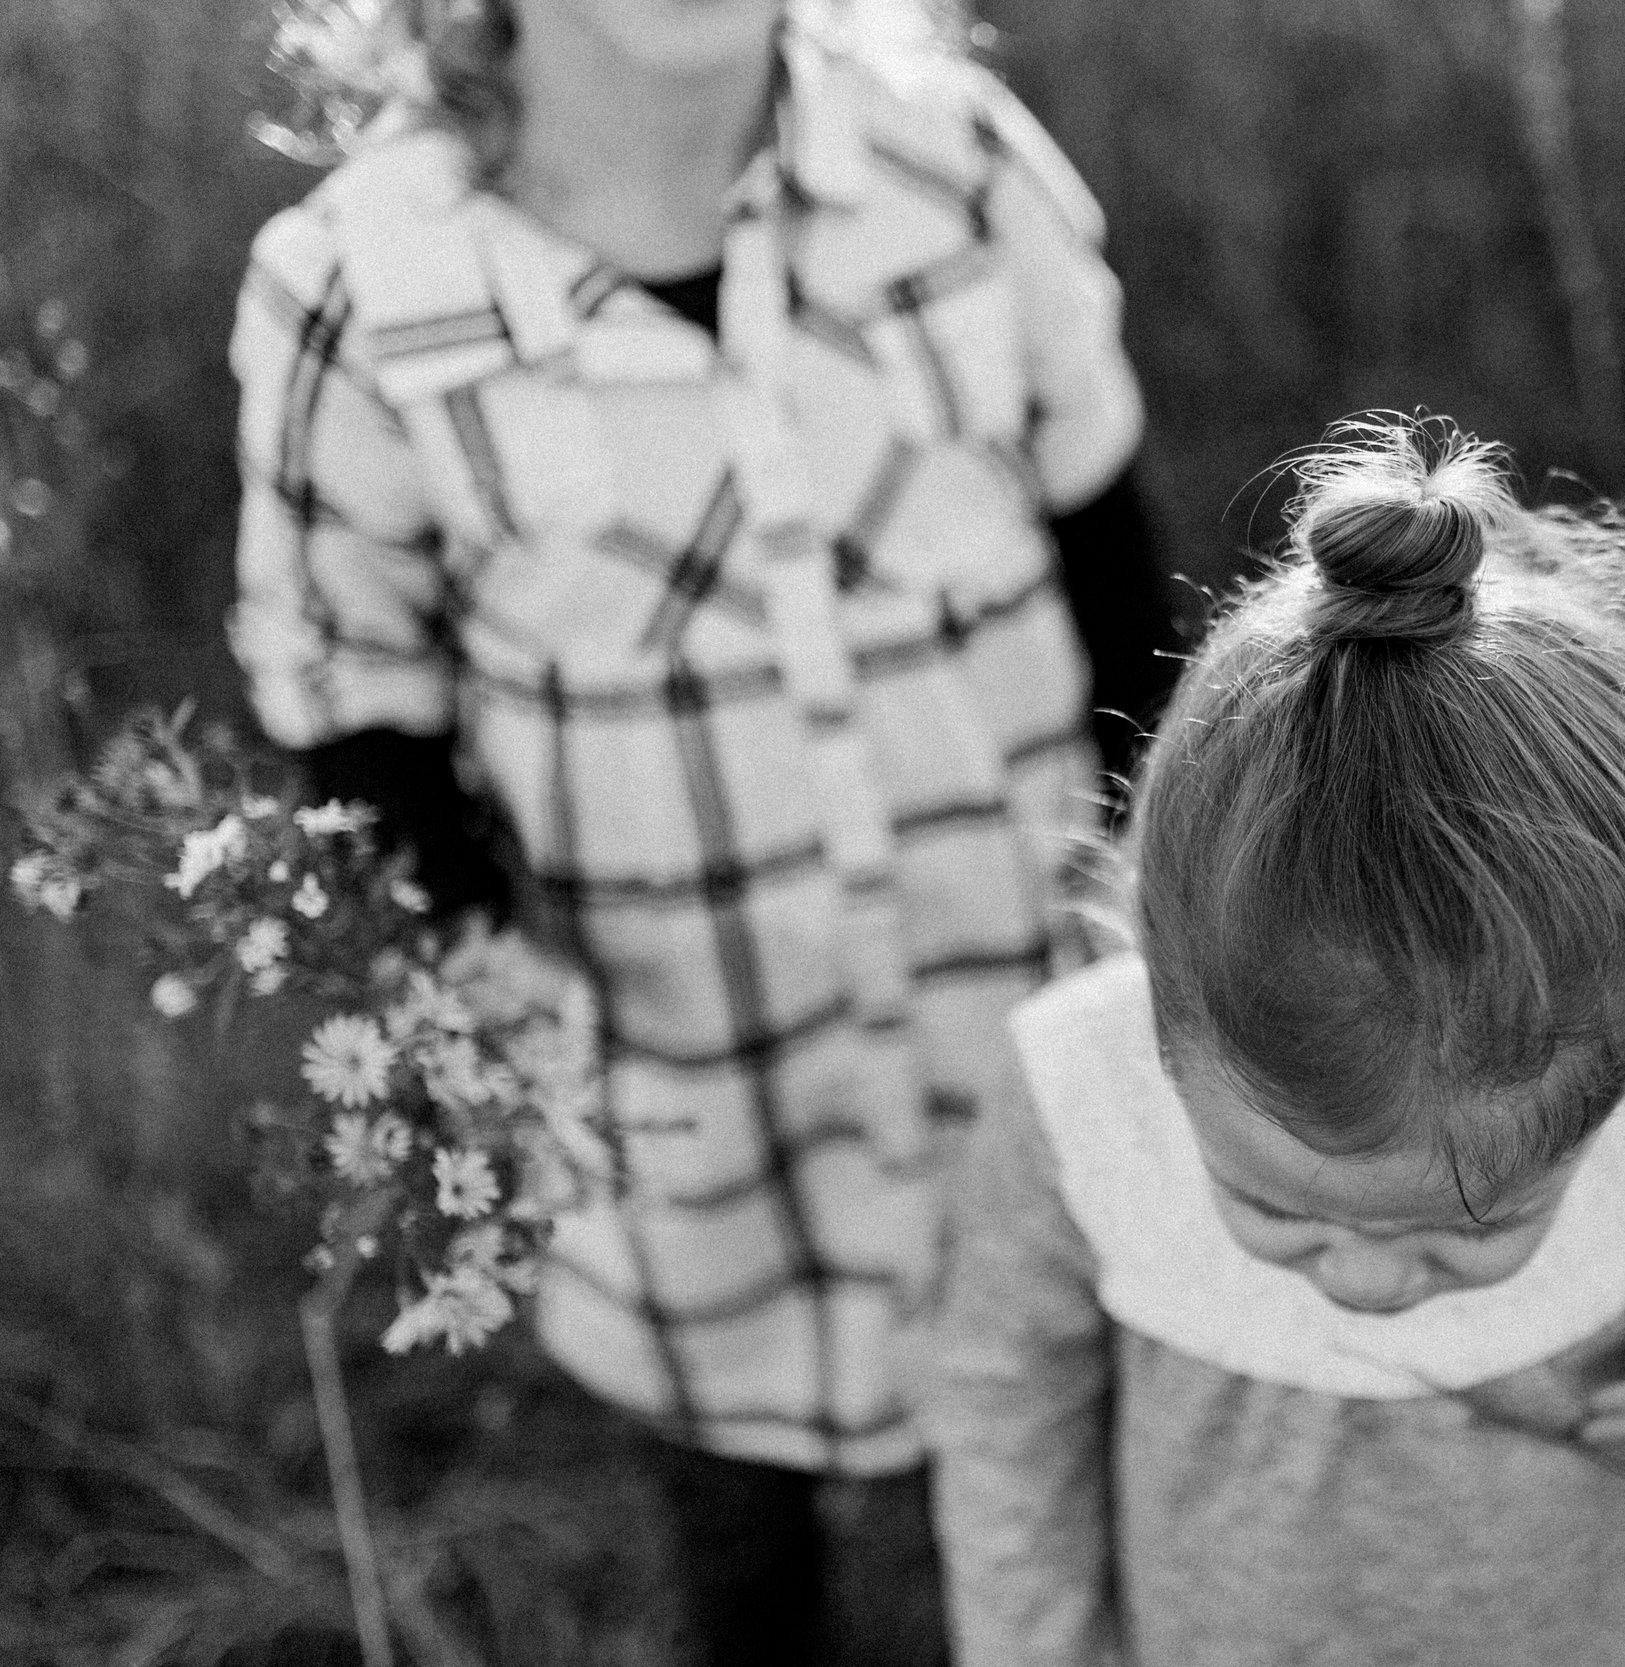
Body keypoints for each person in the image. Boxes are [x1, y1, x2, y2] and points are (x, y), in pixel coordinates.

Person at [226, 1, 1180, 1660]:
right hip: (682, 1074)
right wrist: (467, 953)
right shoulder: (356, 279)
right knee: (742, 1547)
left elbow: (1115, 565)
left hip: (1021, 1005)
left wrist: (1180, 911)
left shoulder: (949, 165)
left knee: (1067, 1513)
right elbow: (350, 695)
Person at [930, 417, 1625, 1667]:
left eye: (1467, 1224)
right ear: (1153, 994)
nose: (1363, 1282)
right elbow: (1003, 1394)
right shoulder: (1072, 1096)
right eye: (1277, 1208)